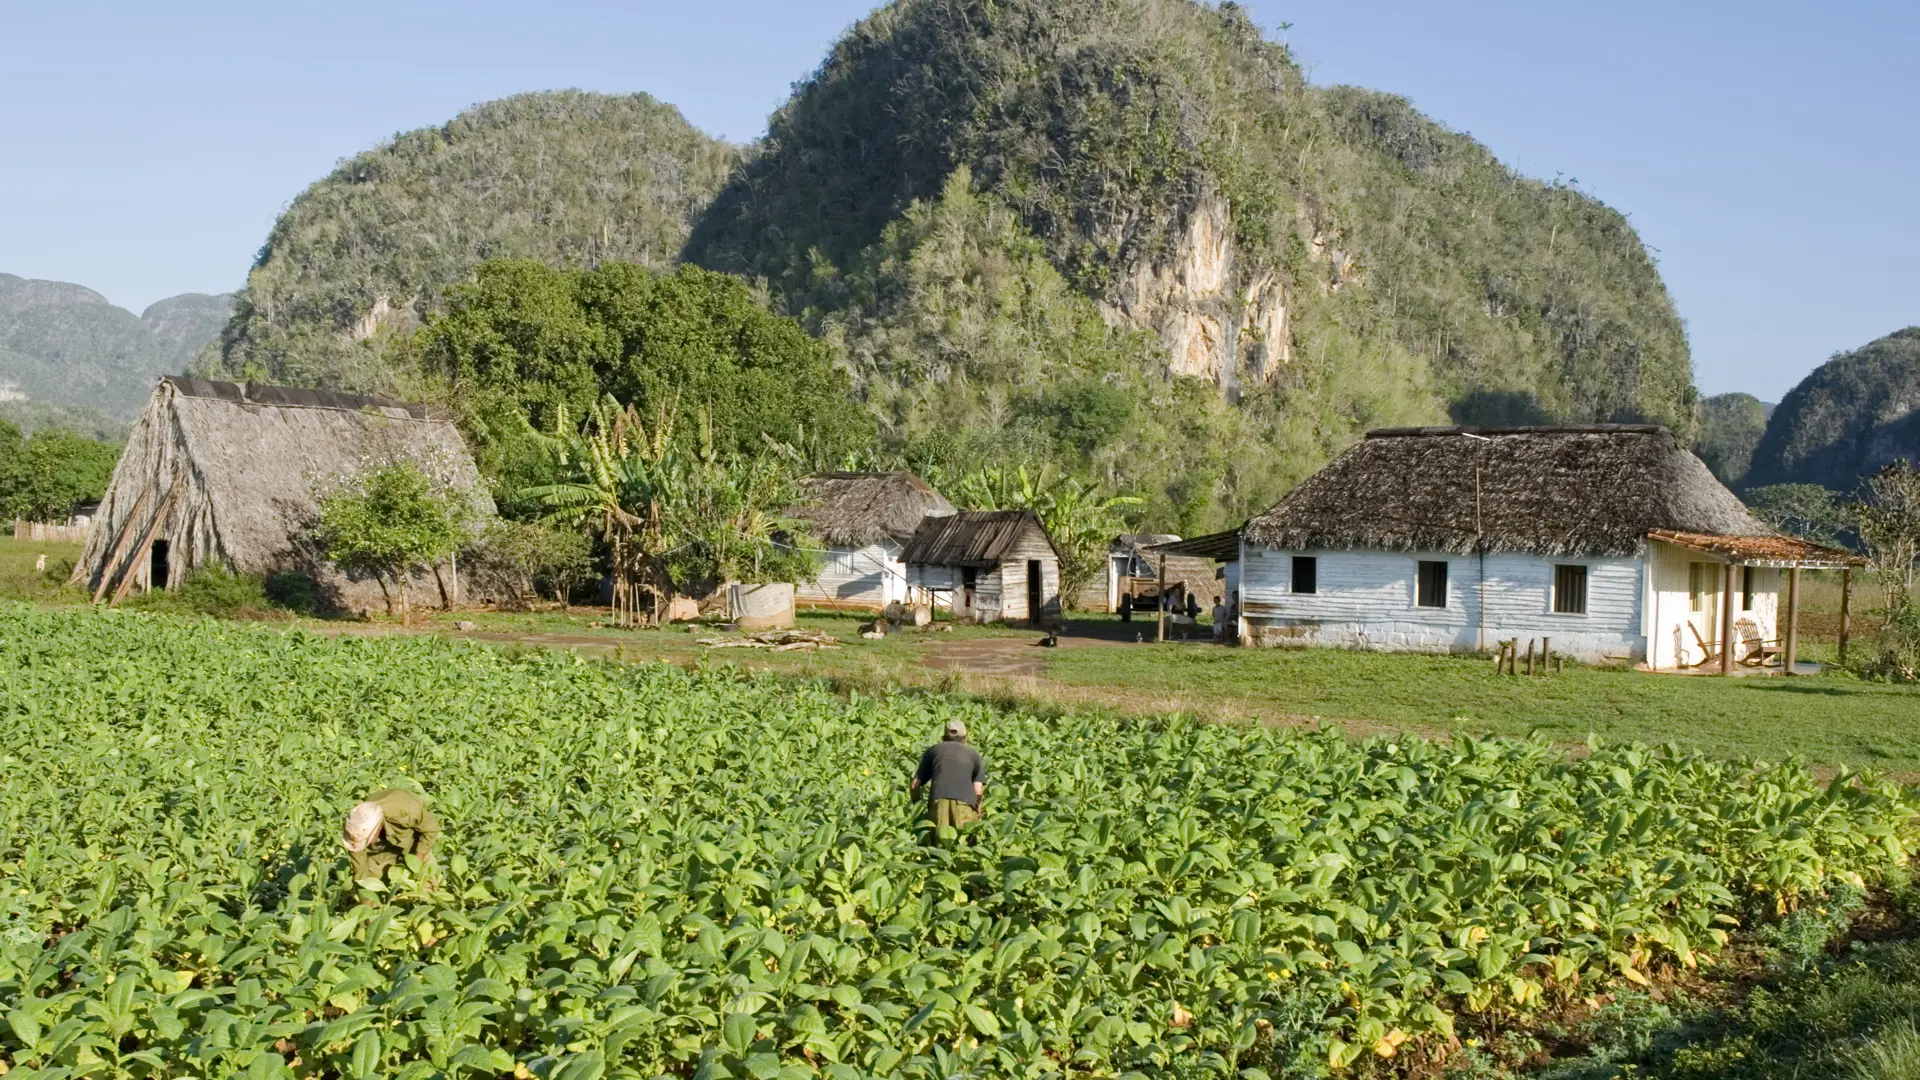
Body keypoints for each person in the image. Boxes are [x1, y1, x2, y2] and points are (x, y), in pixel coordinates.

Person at [341, 787, 441, 883]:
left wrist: (418, 860)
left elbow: (431, 829)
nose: (366, 843)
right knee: (371, 869)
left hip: (413, 836)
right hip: (384, 844)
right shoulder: (354, 829)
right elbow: (360, 871)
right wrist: (366, 898)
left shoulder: (405, 810)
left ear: (378, 827)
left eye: (367, 840)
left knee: (425, 879)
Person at [911, 719, 985, 831]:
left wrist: (916, 807)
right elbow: (978, 791)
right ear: (965, 738)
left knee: (938, 845)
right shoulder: (974, 755)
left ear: (943, 737)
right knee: (964, 845)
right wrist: (978, 811)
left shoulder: (933, 751)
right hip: (965, 805)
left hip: (938, 804)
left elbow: (914, 785)